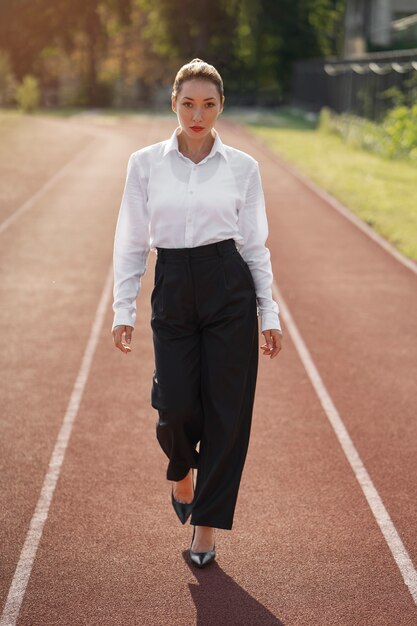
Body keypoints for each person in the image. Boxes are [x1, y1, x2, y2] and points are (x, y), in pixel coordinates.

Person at [111, 58, 283, 568]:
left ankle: (206, 531)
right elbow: (130, 241)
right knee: (177, 404)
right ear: (173, 103)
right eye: (188, 103)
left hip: (228, 285)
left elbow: (255, 246)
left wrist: (267, 313)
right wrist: (124, 308)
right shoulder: (143, 164)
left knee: (228, 415)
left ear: (221, 107)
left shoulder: (244, 169)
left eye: (209, 104)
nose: (198, 114)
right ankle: (181, 468)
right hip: (173, 284)